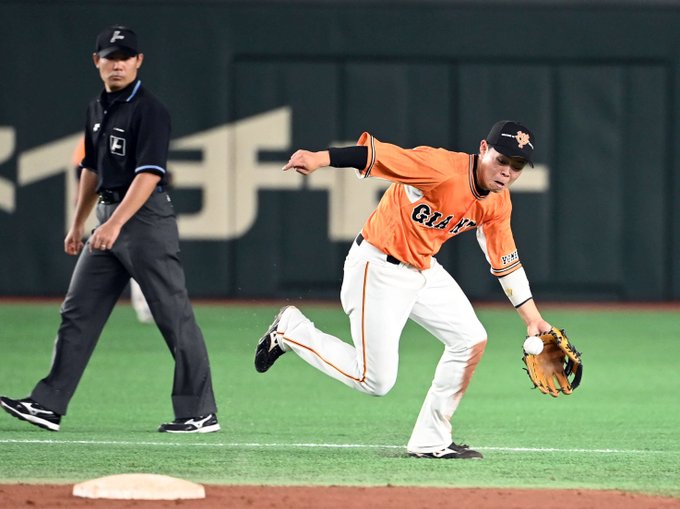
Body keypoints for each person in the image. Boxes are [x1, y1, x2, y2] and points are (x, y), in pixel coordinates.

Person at [255, 121, 551, 459]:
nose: (507, 172)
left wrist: (533, 319)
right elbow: (376, 156)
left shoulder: (498, 203)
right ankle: (291, 330)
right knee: (375, 381)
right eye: (501, 160)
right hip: (377, 266)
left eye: (516, 166)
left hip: (423, 268)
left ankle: (430, 440)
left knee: (470, 339)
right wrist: (320, 158)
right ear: (483, 149)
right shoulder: (440, 167)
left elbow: (506, 262)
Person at [0, 25, 219, 433]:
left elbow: (149, 174)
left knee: (172, 315)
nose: (117, 64)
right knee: (77, 311)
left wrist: (116, 224)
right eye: (110, 57)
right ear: (96, 61)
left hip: (145, 220)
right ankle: (48, 404)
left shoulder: (150, 110)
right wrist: (78, 223)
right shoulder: (97, 108)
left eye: (125, 57)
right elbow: (91, 169)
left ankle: (199, 411)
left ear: (138, 61)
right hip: (107, 218)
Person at [73, 136, 154, 324]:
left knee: (136, 253)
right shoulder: (97, 132)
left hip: (125, 201)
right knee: (134, 253)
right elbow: (82, 167)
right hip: (111, 201)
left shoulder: (131, 132)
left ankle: (145, 304)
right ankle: (144, 304)